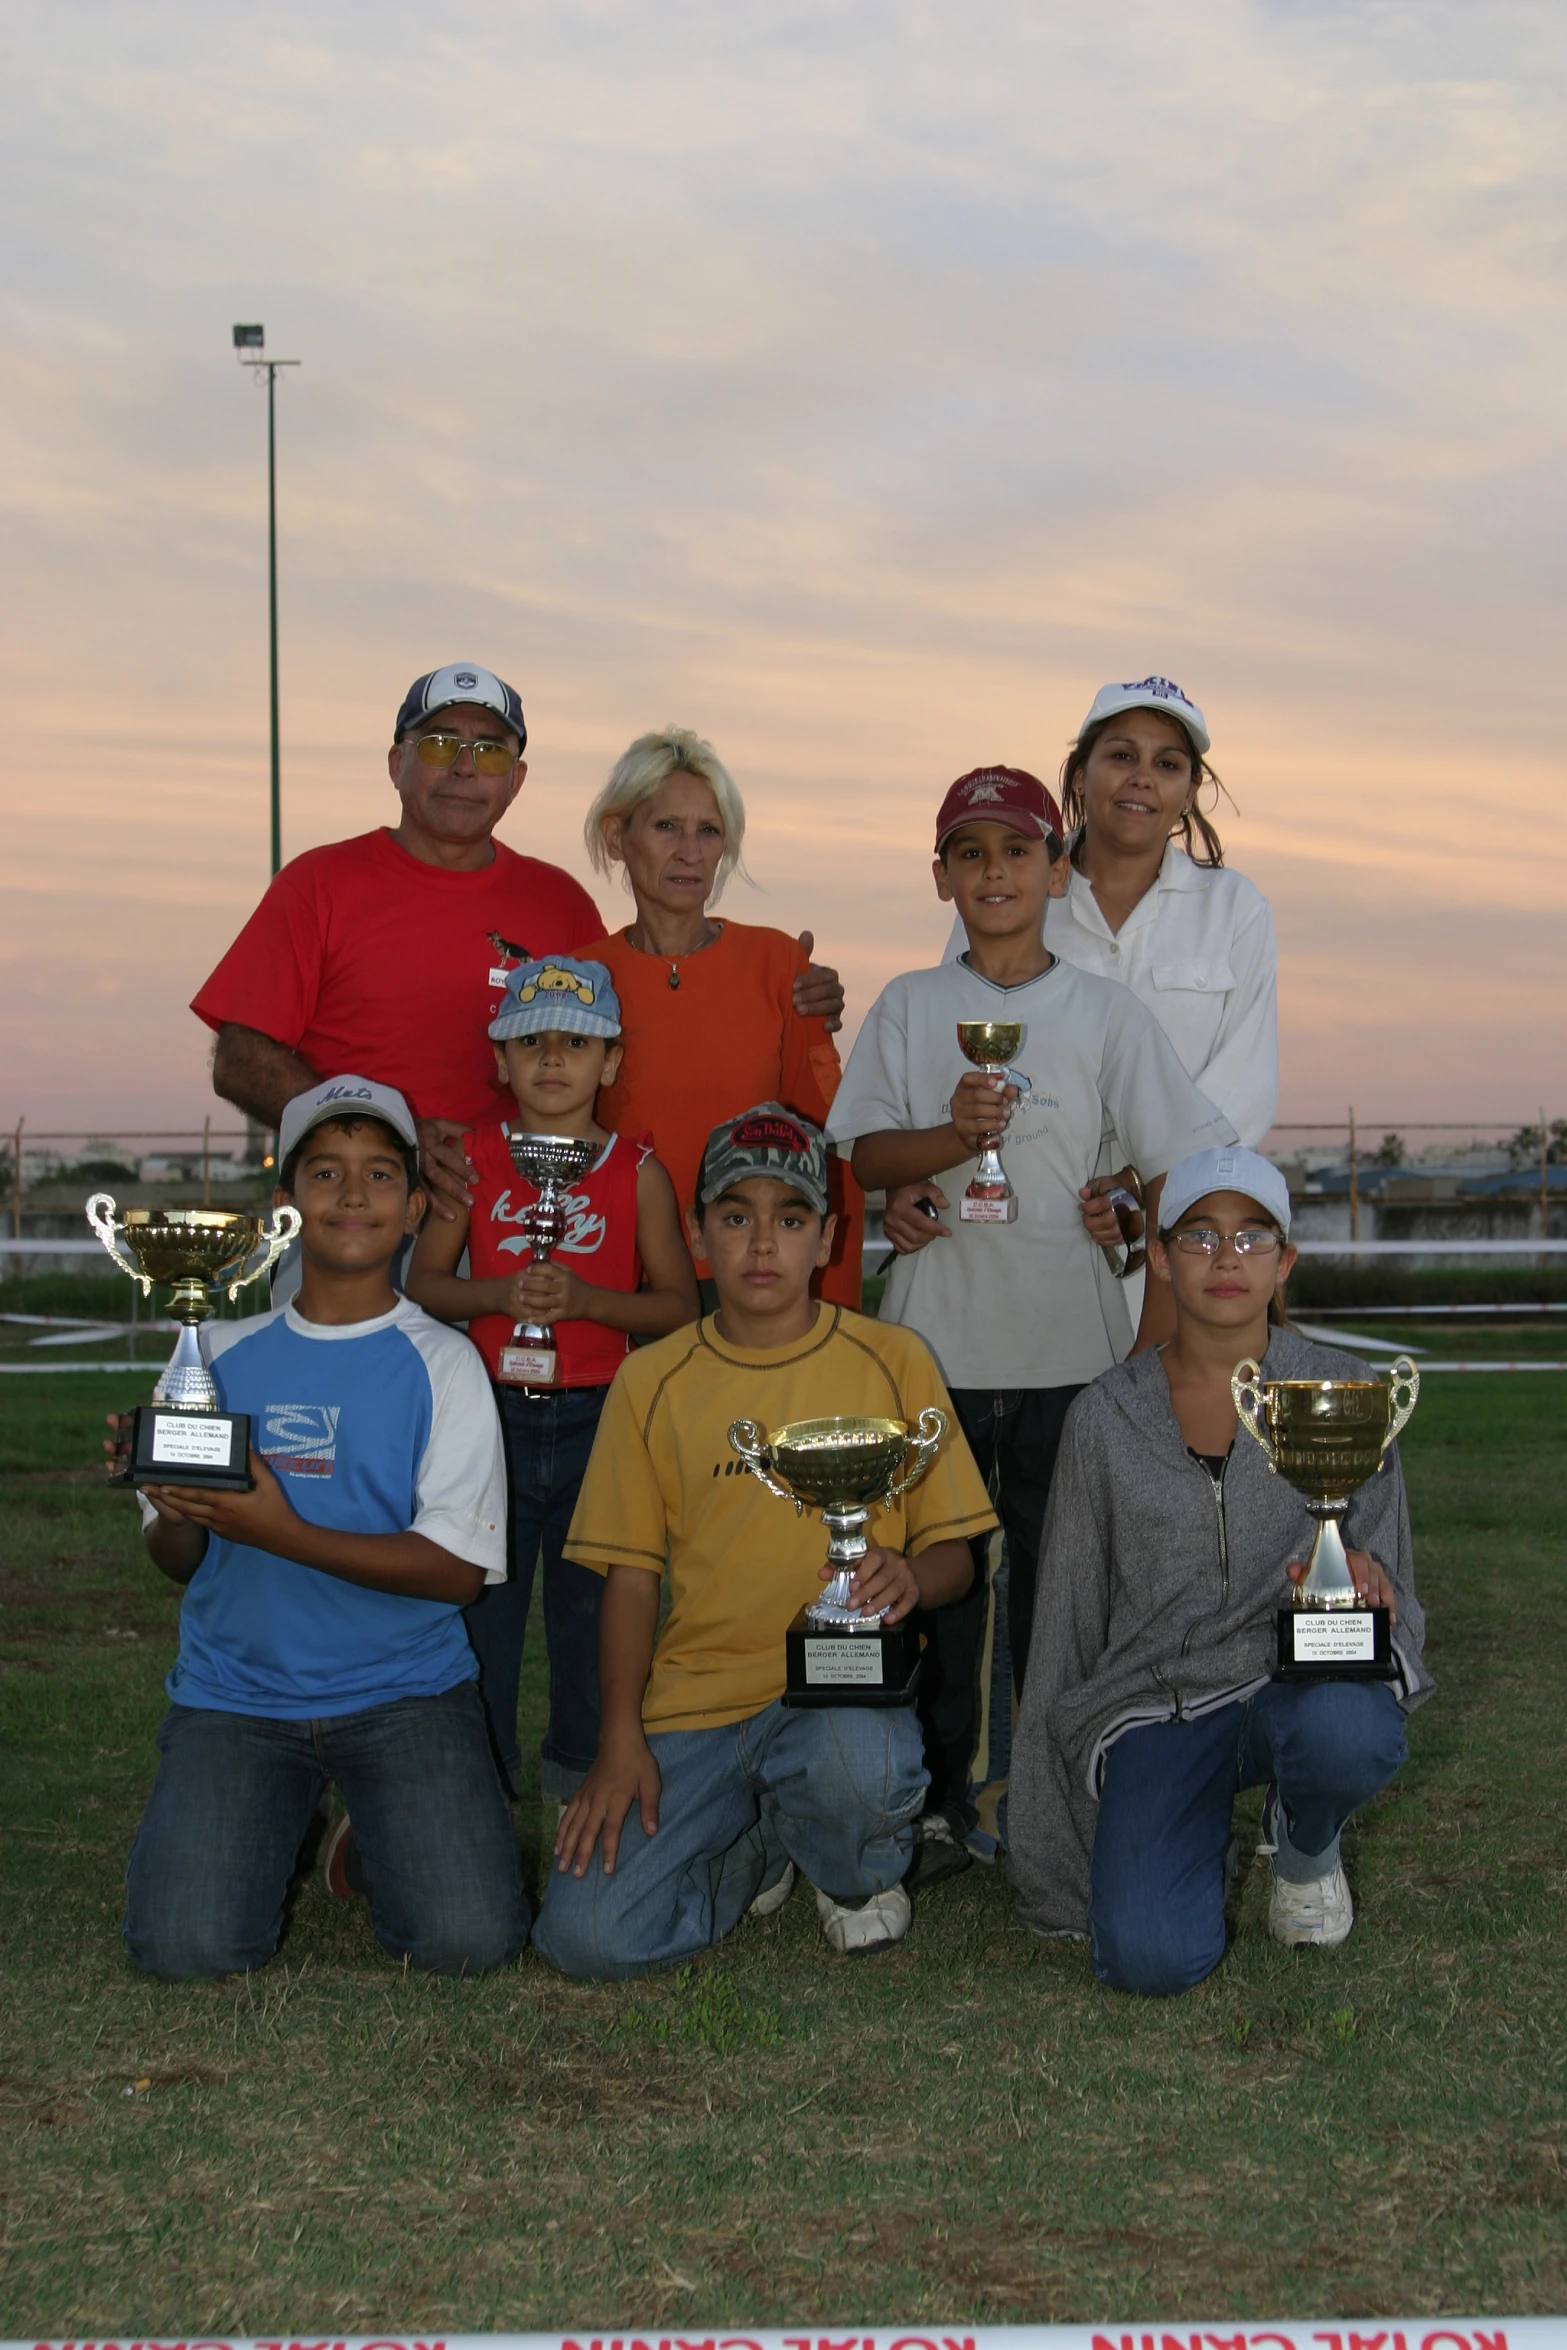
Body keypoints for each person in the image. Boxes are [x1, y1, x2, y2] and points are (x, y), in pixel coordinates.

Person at [825, 765, 1234, 1872]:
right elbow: (863, 1156)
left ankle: (1048, 1790)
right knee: (933, 1586)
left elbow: (1180, 1165)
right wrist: (949, 1142)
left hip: (1071, 1353)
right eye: (970, 852)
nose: (994, 871)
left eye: (1017, 851)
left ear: (1057, 867)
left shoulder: (1104, 1011)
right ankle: (935, 1797)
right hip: (934, 1353)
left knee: (1064, 1591)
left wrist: (1131, 1217)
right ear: (941, 876)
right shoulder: (911, 1004)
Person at [531, 1106, 996, 1980]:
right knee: (585, 1938)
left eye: (789, 1220)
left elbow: (955, 1558)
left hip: (838, 1696)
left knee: (856, 1775)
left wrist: (907, 1578)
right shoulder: (651, 1378)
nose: (760, 1244)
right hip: (693, 1711)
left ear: (827, 1238)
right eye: (735, 1216)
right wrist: (619, 1739)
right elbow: (629, 1581)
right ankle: (755, 1850)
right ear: (699, 1234)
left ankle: (847, 1871)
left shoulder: (893, 1358)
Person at [111, 1077, 528, 1981]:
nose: (351, 1194)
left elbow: (459, 1574)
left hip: (405, 1694)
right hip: (238, 1696)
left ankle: (374, 1822)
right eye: (326, 1171)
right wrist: (175, 1503)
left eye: (380, 1174)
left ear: (416, 1206)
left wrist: (275, 1526)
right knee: (187, 1951)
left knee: (467, 1941)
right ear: (284, 1206)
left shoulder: (445, 1361)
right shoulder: (213, 1353)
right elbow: (175, 1560)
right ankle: (276, 1805)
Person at [196, 669, 845, 1225]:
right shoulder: (319, 883)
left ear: (517, 780)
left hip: (517, 1226)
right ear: (397, 762)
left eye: (491, 751)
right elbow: (240, 1058)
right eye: (441, 743)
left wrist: (795, 1001)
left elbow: (633, 1061)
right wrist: (389, 1139)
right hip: (355, 1220)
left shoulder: (559, 906)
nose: (464, 767)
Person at [1008, 1146, 1433, 1993]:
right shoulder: (1104, 1416)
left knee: (1344, 1732)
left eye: (1251, 1237)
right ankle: (1191, 1826)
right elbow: (1062, 1620)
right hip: (1155, 1704)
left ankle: (1304, 1844)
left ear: (1285, 1260)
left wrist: (1365, 1580)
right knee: (1149, 1958)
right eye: (1200, 1237)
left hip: (1297, 1685)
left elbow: (1398, 1600)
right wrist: (1050, 1858)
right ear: (1159, 1258)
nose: (1226, 1259)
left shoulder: (1345, 1395)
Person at [403, 955, 698, 1803]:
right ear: (500, 1060)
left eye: (578, 1040)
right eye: (530, 1041)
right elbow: (424, 1285)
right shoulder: (470, 1159)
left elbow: (677, 1306)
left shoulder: (637, 1170)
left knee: (589, 1624)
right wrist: (496, 1294)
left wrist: (592, 1303)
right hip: (487, 1418)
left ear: (612, 1061)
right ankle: (474, 1797)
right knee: (481, 1619)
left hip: (601, 1422)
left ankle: (582, 1790)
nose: (553, 1059)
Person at [900, 675, 1277, 1267]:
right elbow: (948, 1042)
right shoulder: (1012, 890)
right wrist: (911, 1175)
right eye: (1122, 755)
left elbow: (1243, 1087)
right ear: (1080, 774)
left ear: (1190, 788)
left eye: (1168, 763)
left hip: (1170, 1228)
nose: (1142, 778)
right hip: (1021, 1224)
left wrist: (1141, 1181)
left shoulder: (1234, 909)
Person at [582, 725, 863, 1307]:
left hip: (758, 1282)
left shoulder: (779, 964)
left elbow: (829, 1150)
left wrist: (832, 1304)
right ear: (616, 836)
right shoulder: (583, 980)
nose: (691, 851)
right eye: (666, 827)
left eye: (709, 830)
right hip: (624, 1286)